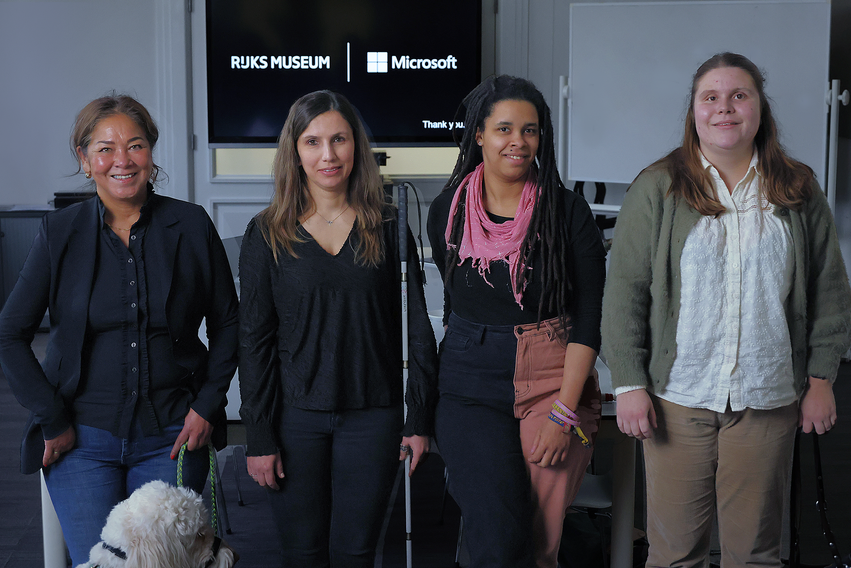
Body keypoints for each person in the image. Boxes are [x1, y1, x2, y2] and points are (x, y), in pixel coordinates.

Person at [603, 52, 851, 568]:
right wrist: (628, 385)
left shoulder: (798, 188)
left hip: (767, 399)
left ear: (760, 108)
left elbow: (829, 290)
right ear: (693, 110)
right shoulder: (658, 186)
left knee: (756, 555)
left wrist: (822, 379)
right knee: (673, 555)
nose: (725, 108)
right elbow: (625, 292)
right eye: (710, 97)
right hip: (677, 399)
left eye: (739, 95)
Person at [0, 94, 239, 567]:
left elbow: (229, 322)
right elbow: (9, 332)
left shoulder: (190, 225)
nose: (122, 160)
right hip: (82, 440)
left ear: (151, 153)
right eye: (105, 148)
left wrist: (209, 404)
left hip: (174, 434)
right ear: (85, 160)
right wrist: (52, 416)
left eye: (135, 145)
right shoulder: (59, 233)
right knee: (103, 563)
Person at [237, 90, 438, 568]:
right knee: (302, 554)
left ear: (357, 147)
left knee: (356, 553)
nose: (328, 155)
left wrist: (419, 416)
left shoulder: (390, 225)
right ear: (295, 151)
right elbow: (254, 342)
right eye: (313, 142)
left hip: (373, 416)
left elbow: (416, 329)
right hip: (294, 419)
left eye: (339, 140)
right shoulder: (266, 232)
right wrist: (259, 434)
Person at [426, 75, 606, 568]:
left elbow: (590, 317)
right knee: (498, 533)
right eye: (504, 128)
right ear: (478, 134)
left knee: (540, 544)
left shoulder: (567, 212)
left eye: (530, 130)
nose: (518, 141)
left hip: (552, 376)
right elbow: (456, 294)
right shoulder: (447, 210)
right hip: (467, 377)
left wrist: (564, 415)